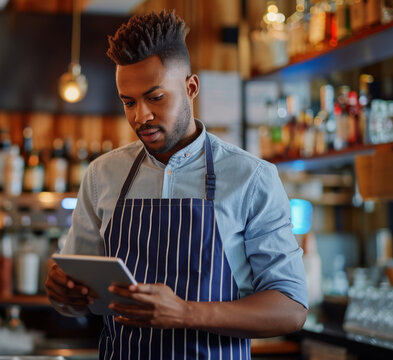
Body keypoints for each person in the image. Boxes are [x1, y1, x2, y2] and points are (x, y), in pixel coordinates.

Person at [45, 10, 308, 359]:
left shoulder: (252, 178)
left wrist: (184, 313)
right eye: (128, 102)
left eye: (155, 98)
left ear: (191, 88)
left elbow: (290, 308)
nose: (141, 116)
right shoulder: (101, 176)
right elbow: (80, 299)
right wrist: (64, 294)